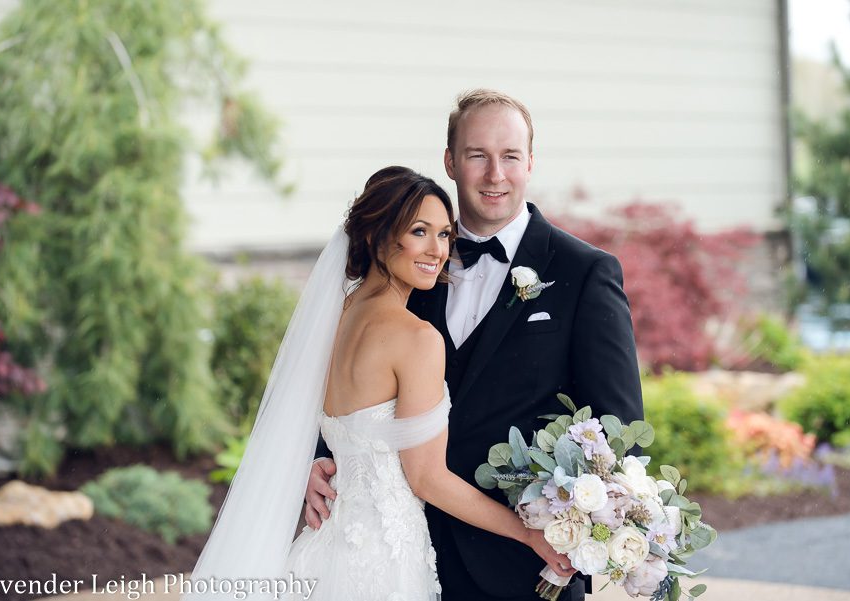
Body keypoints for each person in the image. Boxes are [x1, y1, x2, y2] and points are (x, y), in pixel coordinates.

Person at [306, 91, 645, 601]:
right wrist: (317, 461)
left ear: (530, 162)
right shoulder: (409, 268)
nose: (495, 174)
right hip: (402, 553)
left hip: (525, 566)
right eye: (477, 155)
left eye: (510, 156)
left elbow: (619, 432)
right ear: (450, 162)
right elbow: (350, 384)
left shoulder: (584, 272)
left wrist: (586, 531)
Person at [186, 166, 572, 601]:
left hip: (322, 548)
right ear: (375, 235)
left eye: (444, 234)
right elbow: (427, 478)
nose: (437, 250)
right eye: (419, 231)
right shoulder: (417, 339)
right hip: (384, 563)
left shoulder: (333, 317)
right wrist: (527, 533)